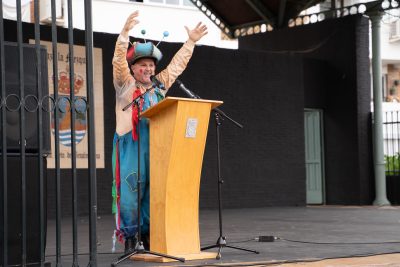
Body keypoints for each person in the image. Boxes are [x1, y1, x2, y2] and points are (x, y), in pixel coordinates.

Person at [111, 10, 208, 252]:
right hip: (130, 145)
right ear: (134, 69)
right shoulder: (125, 82)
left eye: (151, 65)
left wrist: (191, 42)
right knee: (131, 191)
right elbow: (118, 60)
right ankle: (130, 238)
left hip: (156, 145)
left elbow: (176, 67)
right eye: (142, 65)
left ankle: (148, 235)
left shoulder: (159, 86)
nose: (148, 68)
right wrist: (124, 35)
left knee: (152, 191)